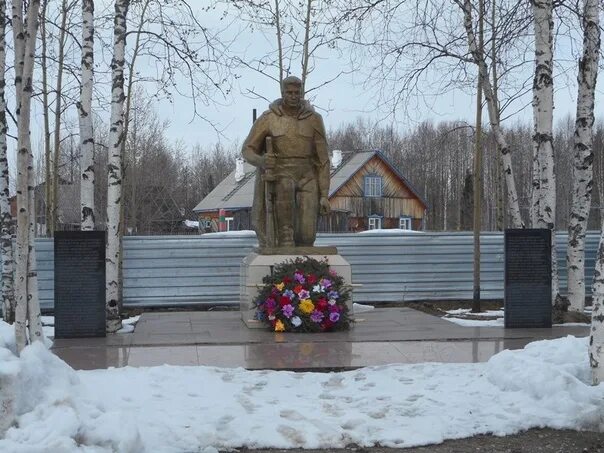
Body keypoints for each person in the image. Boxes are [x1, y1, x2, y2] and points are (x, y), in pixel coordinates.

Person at [242, 76, 330, 249]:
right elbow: (247, 150)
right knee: (286, 241)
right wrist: (262, 161)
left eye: (297, 93)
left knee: (307, 237)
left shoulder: (314, 119)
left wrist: (325, 195)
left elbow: (323, 160)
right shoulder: (268, 118)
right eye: (289, 92)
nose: (293, 96)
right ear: (282, 93)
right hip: (281, 174)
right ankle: (284, 241)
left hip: (307, 176)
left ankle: (303, 271)